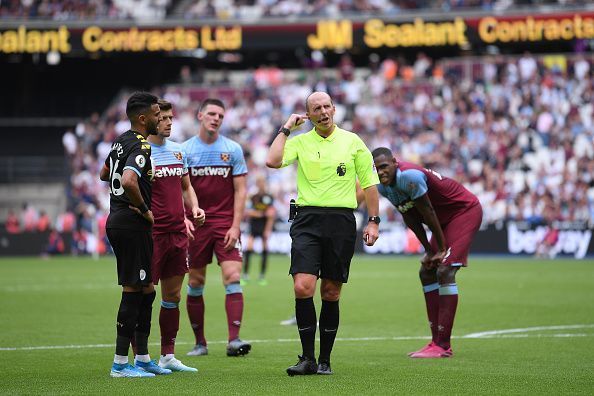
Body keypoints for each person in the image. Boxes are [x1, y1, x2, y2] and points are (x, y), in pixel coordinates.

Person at [266, 91, 380, 376]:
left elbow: (370, 185)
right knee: (302, 286)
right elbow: (272, 160)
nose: (323, 111)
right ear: (309, 115)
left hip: (341, 221)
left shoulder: (353, 142)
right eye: (316, 108)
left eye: (327, 106)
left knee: (330, 291)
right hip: (307, 220)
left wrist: (374, 221)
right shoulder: (300, 141)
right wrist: (285, 128)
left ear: (334, 108)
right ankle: (307, 358)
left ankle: (325, 359)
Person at [370, 147, 483, 358]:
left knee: (445, 271)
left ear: (395, 162)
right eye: (376, 169)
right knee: (427, 271)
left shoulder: (410, 177)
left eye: (384, 166)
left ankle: (443, 345)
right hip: (443, 221)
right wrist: (430, 252)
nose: (381, 172)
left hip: (463, 211)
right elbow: (411, 217)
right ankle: (434, 342)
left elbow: (428, 212)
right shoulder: (384, 188)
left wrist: (440, 249)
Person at [99, 91, 171, 378]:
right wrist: (144, 209)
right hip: (131, 223)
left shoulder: (120, 141)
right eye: (156, 114)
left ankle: (142, 358)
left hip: (118, 220)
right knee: (132, 289)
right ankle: (119, 364)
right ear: (143, 118)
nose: (159, 118)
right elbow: (128, 180)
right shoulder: (141, 145)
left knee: (148, 289)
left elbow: (106, 173)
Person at [182, 98, 251, 357]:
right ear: (200, 115)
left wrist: (235, 226)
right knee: (196, 282)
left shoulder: (232, 150)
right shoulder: (184, 150)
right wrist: (184, 218)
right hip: (196, 225)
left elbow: (240, 191)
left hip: (225, 224)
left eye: (220, 115)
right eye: (211, 113)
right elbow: (178, 190)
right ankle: (200, 343)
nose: (216, 118)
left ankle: (234, 340)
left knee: (233, 276)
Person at [146, 99, 206, 372]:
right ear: (150, 119)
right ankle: (141, 358)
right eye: (164, 118)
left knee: (173, 296)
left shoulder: (178, 151)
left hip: (177, 233)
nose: (170, 122)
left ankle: (167, 355)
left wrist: (193, 207)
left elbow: (186, 186)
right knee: (144, 295)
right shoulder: (141, 152)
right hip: (151, 235)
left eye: (172, 117)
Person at [242, 176, 276, 286]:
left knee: (265, 249)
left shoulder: (269, 197)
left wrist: (268, 230)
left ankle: (262, 276)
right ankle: (245, 275)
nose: (261, 184)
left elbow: (271, 214)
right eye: (259, 182)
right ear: (257, 184)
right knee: (249, 248)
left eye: (262, 182)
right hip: (254, 225)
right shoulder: (253, 197)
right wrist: (260, 213)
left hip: (264, 225)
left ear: (265, 183)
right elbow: (247, 212)